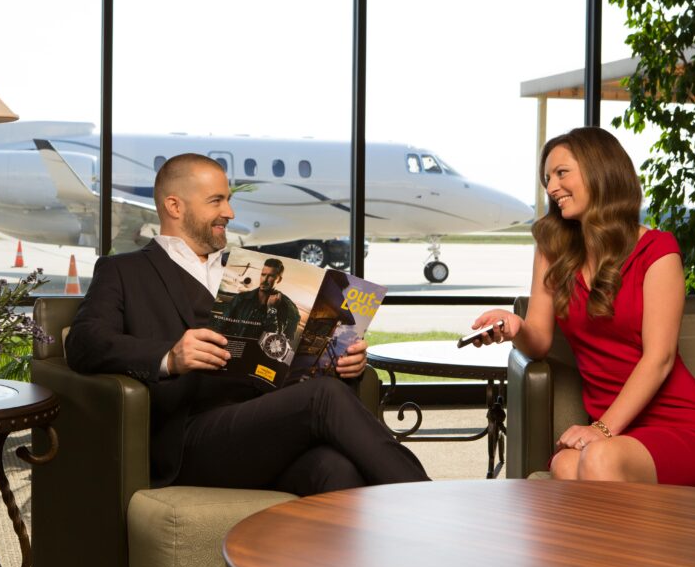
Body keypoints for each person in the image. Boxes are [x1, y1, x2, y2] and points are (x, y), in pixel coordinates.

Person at [65, 153, 428, 495]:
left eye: (228, 200)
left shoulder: (245, 270)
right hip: (193, 439)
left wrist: (342, 361)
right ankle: (430, 503)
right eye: (216, 201)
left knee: (336, 469)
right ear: (175, 206)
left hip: (269, 428)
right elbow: (84, 342)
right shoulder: (124, 271)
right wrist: (169, 356)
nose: (229, 211)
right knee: (322, 398)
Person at [471, 127, 695, 486]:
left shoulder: (657, 250)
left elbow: (660, 358)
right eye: (547, 178)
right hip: (613, 437)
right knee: (564, 464)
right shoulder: (552, 248)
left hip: (683, 427)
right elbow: (539, 341)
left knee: (597, 458)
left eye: (562, 173)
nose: (551, 188)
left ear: (600, 171)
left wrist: (603, 429)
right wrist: (515, 327)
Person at [221, 257, 300, 342]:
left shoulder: (287, 307)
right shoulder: (241, 298)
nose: (265, 280)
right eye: (263, 274)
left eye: (271, 276)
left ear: (279, 280)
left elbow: (276, 342)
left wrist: (272, 310)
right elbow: (221, 325)